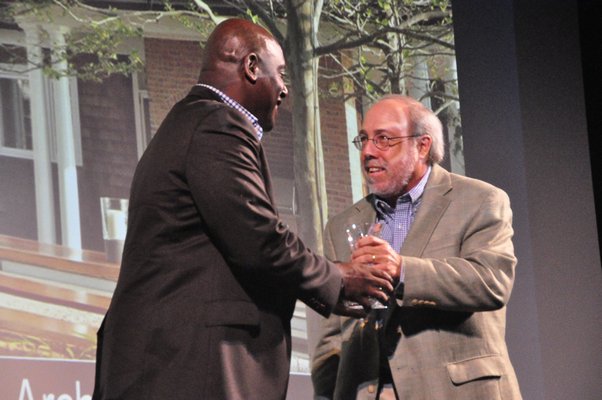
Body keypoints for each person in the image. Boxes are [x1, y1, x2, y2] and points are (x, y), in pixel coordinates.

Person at [92, 18, 393, 400]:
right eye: (280, 73)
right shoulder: (216, 124)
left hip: (169, 360)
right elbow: (259, 236)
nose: (285, 88)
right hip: (190, 364)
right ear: (251, 67)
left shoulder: (191, 122)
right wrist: (339, 277)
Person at [311, 95, 522, 399]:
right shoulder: (342, 225)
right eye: (364, 139)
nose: (368, 151)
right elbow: (334, 333)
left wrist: (402, 269)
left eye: (383, 139)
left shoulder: (480, 200)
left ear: (422, 146)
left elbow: (492, 282)